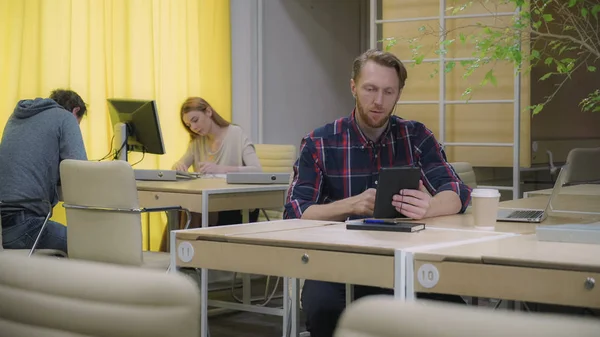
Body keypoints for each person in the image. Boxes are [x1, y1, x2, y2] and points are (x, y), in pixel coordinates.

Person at [283, 49, 473, 337]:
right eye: (370, 89)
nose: (378, 101)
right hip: (336, 264)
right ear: (353, 87)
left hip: (404, 262)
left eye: (388, 92)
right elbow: (296, 210)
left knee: (456, 315)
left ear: (398, 94)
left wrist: (430, 207)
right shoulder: (320, 142)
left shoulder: (416, 136)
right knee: (322, 310)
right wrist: (353, 205)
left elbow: (457, 192)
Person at [0, 89, 88, 254]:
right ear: (76, 110)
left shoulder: (16, 117)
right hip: (27, 227)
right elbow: (80, 172)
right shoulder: (65, 117)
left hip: (3, 230)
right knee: (93, 244)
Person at [171, 96, 261, 226]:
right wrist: (177, 166)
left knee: (192, 212)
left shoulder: (236, 133)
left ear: (208, 112)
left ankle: (186, 244)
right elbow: (180, 165)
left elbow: (257, 170)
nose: (193, 127)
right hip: (208, 203)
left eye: (195, 120)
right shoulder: (197, 142)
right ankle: (182, 244)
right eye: (189, 125)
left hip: (236, 204)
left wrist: (221, 169)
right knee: (181, 209)